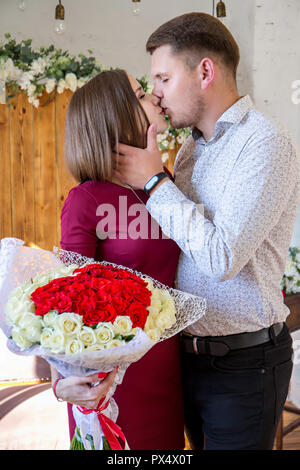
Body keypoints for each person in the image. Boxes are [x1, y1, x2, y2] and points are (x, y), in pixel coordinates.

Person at [113, 12, 300, 450]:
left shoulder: (264, 143)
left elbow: (220, 259)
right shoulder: (191, 150)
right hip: (186, 359)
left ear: (204, 72)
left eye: (162, 78)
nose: (156, 94)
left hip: (244, 366)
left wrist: (155, 182)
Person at [52, 69, 185, 450]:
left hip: (169, 368)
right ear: (117, 113)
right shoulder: (86, 200)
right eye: (142, 93)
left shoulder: (165, 185)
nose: (155, 97)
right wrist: (61, 383)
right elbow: (64, 307)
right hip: (112, 381)